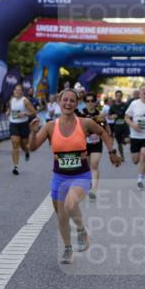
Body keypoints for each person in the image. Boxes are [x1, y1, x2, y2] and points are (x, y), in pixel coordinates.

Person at [28, 90, 121, 264]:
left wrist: (112, 152)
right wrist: (33, 132)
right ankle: (68, 249)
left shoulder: (85, 123)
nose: (68, 103)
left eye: (72, 100)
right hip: (59, 177)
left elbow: (103, 133)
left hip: (81, 175)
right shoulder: (50, 126)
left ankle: (81, 230)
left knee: (71, 204)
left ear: (77, 104)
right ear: (59, 101)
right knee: (61, 216)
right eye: (65, 100)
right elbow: (32, 148)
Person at [77, 92, 109, 199]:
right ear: (85, 102)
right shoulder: (81, 114)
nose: (90, 103)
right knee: (86, 166)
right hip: (83, 144)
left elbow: (106, 128)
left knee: (94, 165)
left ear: (95, 102)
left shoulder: (100, 114)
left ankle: (93, 190)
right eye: (87, 101)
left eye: (92, 101)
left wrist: (109, 138)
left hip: (96, 143)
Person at [7, 84, 36, 175]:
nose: (17, 92)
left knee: (23, 145)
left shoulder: (25, 100)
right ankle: (16, 167)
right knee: (15, 144)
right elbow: (11, 110)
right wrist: (8, 112)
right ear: (14, 91)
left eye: (19, 90)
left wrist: (24, 113)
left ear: (22, 92)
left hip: (23, 124)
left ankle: (26, 151)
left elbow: (33, 112)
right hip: (13, 124)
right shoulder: (12, 100)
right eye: (16, 90)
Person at [106, 90, 131, 159]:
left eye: (120, 96)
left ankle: (124, 141)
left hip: (124, 125)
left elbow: (130, 114)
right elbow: (108, 116)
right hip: (117, 127)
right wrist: (112, 117)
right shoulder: (113, 106)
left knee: (127, 140)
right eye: (117, 96)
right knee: (119, 143)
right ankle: (122, 155)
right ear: (115, 96)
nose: (118, 97)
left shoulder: (125, 105)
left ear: (121, 97)